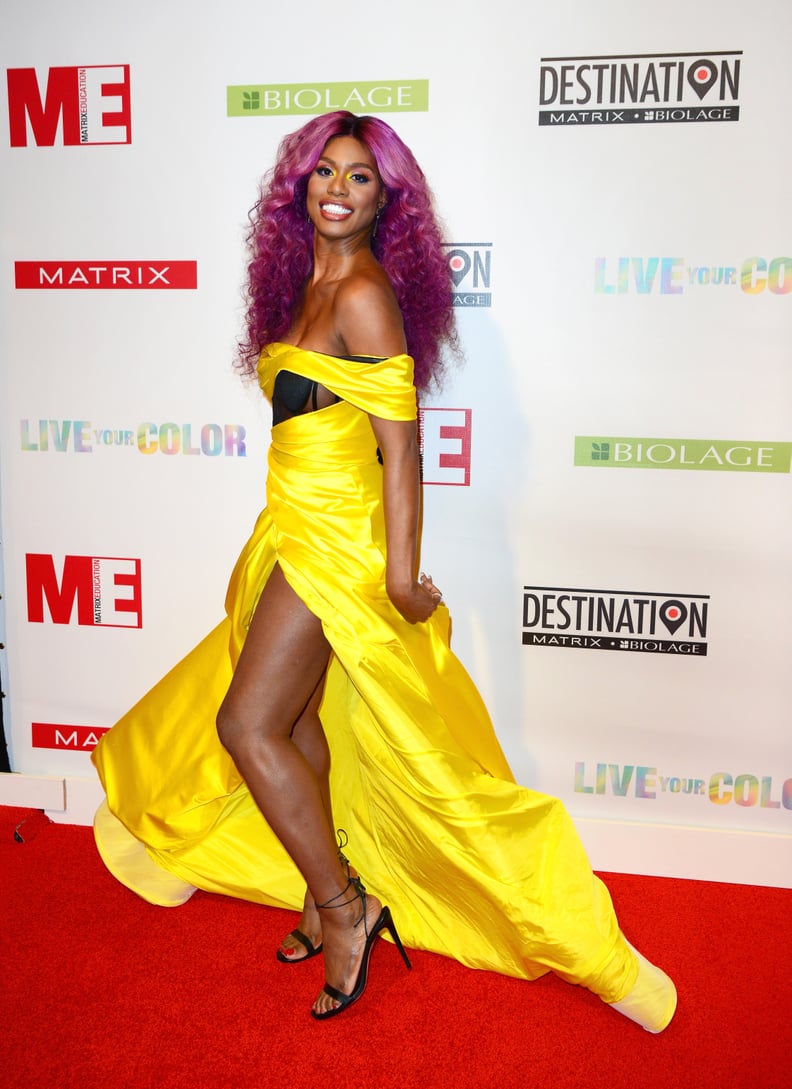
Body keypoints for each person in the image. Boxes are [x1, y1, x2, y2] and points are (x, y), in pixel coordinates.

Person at [91, 111, 677, 1030]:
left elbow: (400, 451)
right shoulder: (306, 286)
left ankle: (344, 909)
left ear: (385, 202)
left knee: (246, 726)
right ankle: (329, 884)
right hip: (293, 530)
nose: (337, 188)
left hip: (341, 545)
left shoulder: (362, 293)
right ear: (301, 185)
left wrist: (402, 579)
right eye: (326, 170)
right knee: (295, 721)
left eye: (360, 178)